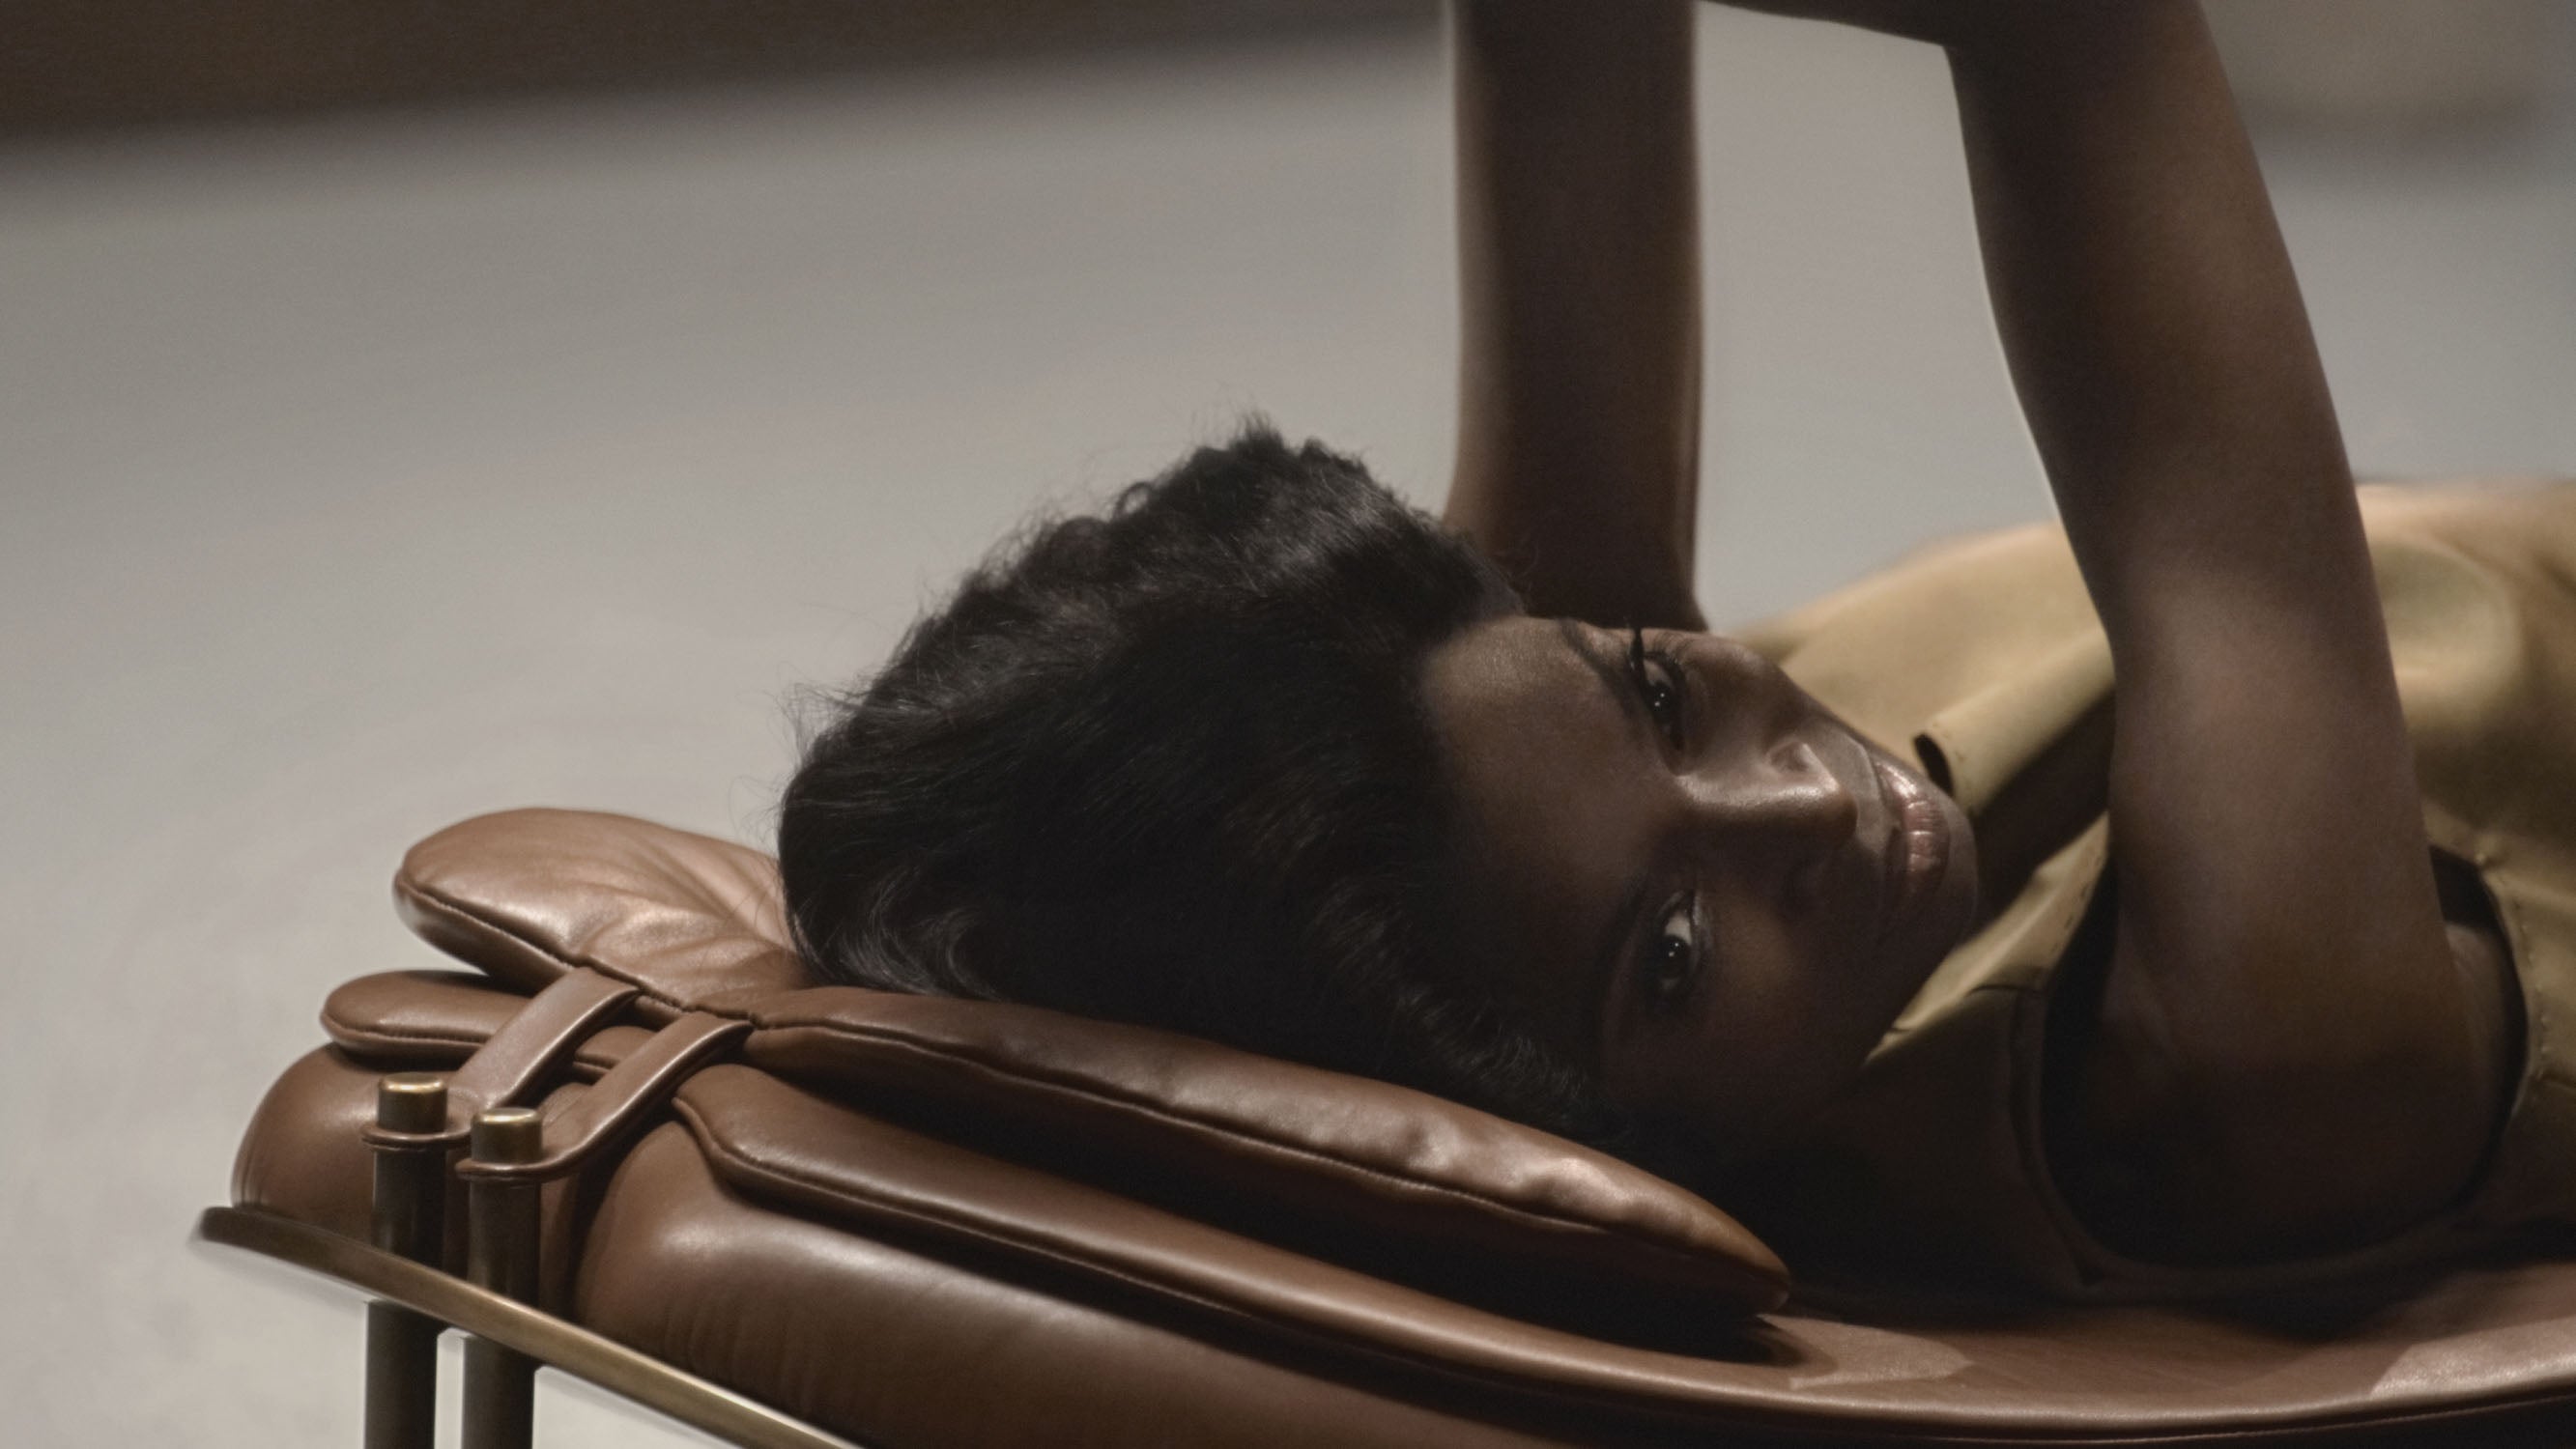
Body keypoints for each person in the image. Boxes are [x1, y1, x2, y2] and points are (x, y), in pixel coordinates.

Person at [780, 0, 2576, 1301]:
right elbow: (2068, 31)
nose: (1801, 794)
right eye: (1676, 955)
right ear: (1555, 1131)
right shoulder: (2250, 1055)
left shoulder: (1522, 825)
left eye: (1654, 689)